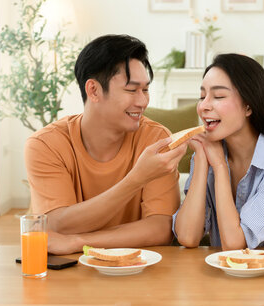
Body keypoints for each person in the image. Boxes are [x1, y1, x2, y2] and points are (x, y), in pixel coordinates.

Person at [25, 34, 187, 255]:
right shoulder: (46, 145)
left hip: (137, 269)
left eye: (146, 89)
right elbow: (57, 224)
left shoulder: (155, 140)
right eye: (131, 90)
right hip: (69, 272)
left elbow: (161, 229)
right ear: (93, 90)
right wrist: (137, 178)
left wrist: (78, 242)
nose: (142, 101)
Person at [173, 54, 264, 250]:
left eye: (218, 96)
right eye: (202, 96)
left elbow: (234, 243)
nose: (203, 106)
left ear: (248, 106)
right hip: (232, 275)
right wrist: (202, 162)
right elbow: (188, 237)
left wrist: (220, 166)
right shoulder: (209, 154)